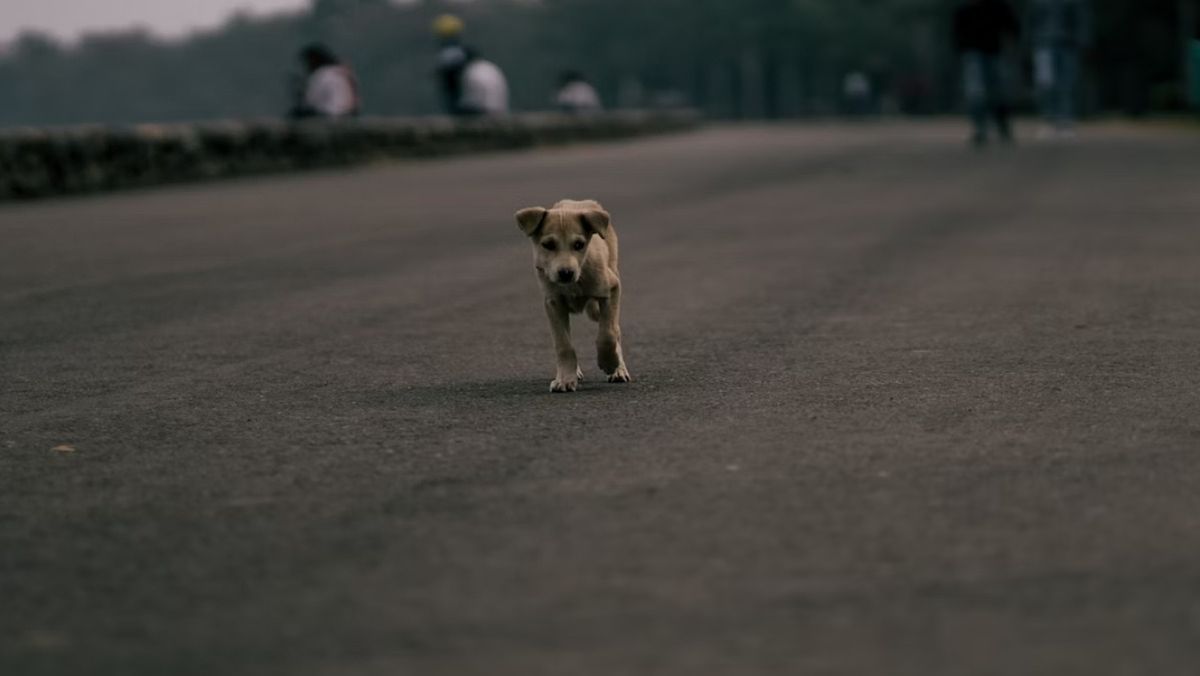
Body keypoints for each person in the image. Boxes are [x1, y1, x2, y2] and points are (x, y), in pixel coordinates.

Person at [953, 0, 1020, 146]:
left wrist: (1012, 44)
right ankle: (980, 128)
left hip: (995, 51)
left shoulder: (998, 6)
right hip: (973, 53)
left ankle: (1002, 127)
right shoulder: (966, 7)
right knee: (976, 92)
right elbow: (957, 28)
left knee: (998, 91)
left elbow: (1012, 25)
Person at [1030, 0, 1090, 136]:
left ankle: (1066, 121)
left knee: (1067, 84)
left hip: (1068, 45)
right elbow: (1031, 20)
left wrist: (1083, 41)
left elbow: (1081, 18)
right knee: (1046, 84)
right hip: (1043, 44)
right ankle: (1048, 120)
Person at [292, 44, 360, 119]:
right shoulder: (342, 72)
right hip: (350, 114)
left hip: (331, 116)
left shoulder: (322, 74)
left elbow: (310, 102)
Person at [432, 14, 470, 116]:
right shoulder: (458, 50)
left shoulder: (448, 52)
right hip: (456, 83)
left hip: (454, 84)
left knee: (454, 102)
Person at [458, 48, 510, 116]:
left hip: (484, 111)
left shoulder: (471, 70)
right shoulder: (489, 66)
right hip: (501, 109)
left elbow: (471, 101)